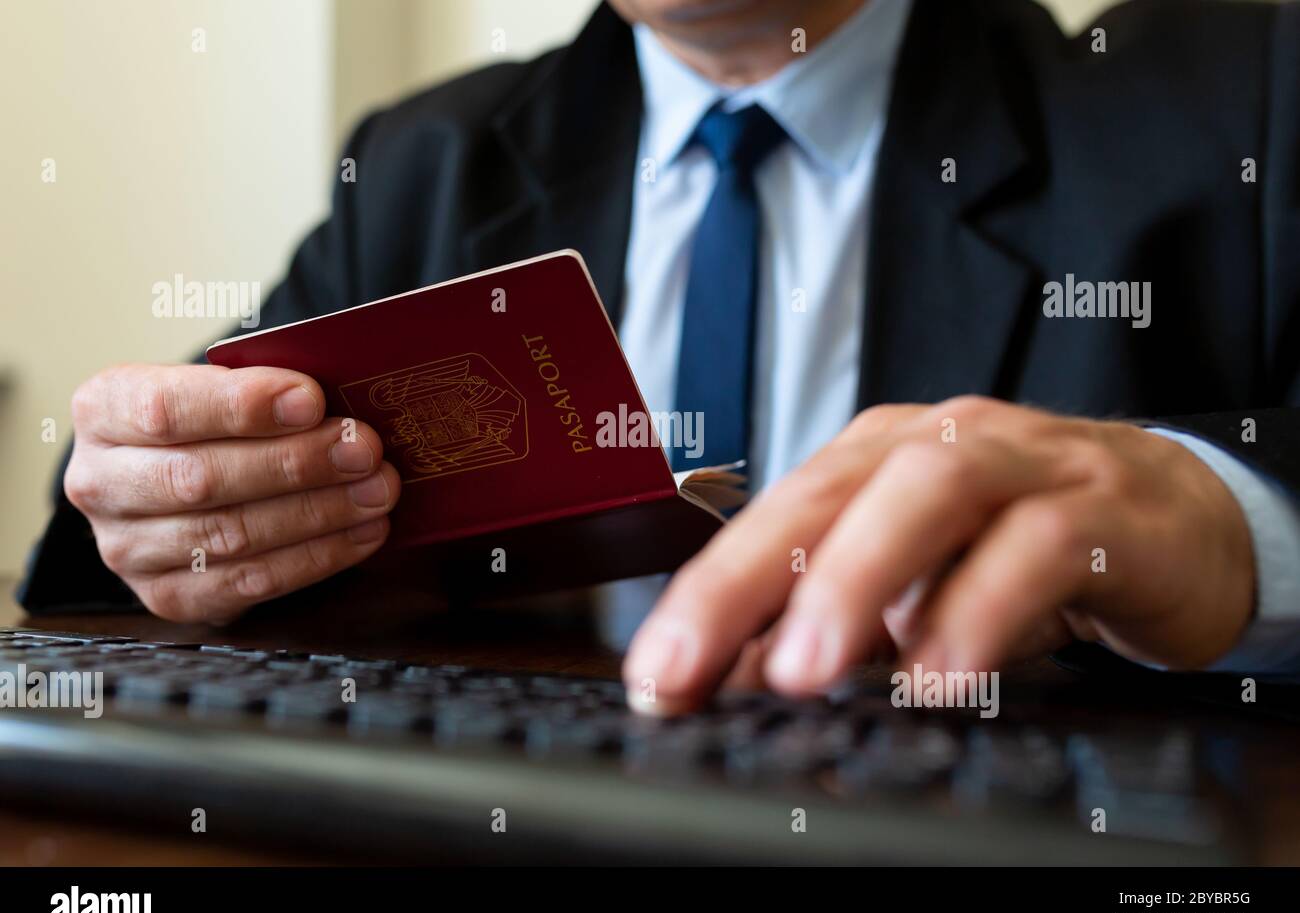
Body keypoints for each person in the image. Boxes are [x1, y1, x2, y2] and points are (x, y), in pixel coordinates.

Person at [19, 0, 1300, 715]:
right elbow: (156, 511)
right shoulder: (426, 163)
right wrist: (158, 505)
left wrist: (1232, 517)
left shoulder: (1238, 100)